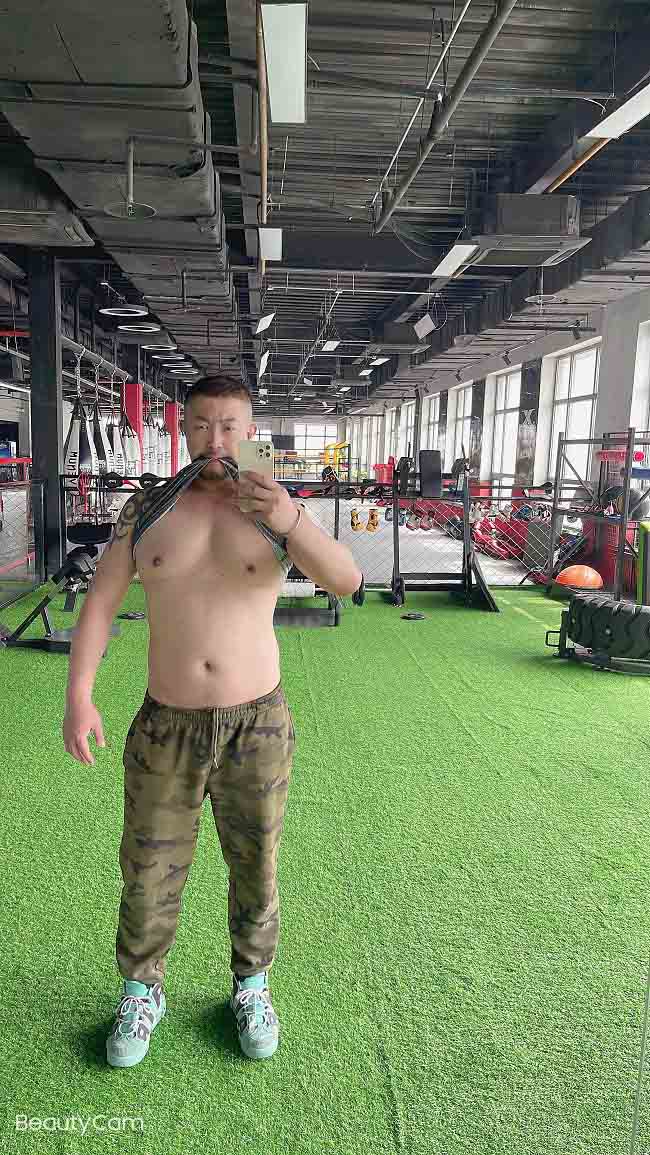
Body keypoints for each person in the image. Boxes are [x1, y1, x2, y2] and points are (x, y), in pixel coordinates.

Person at [63, 375, 362, 1067]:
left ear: (250, 433)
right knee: (147, 867)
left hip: (257, 723)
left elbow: (346, 581)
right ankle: (141, 990)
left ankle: (251, 984)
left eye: (230, 427)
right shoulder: (149, 507)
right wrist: (80, 694)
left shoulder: (274, 507)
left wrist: (290, 519)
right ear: (185, 430)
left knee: (256, 861)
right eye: (202, 426)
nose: (216, 441)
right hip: (165, 724)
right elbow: (101, 601)